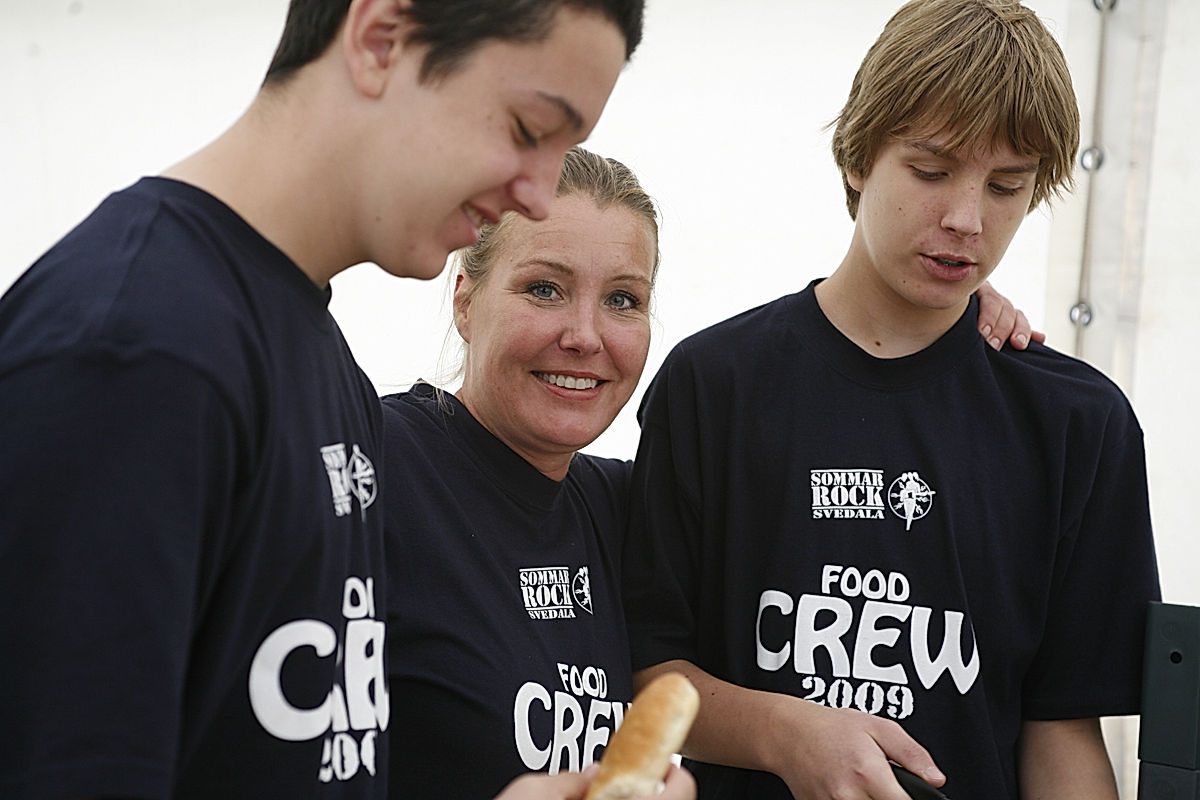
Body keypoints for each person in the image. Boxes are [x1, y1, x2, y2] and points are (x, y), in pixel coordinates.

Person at [0, 1, 642, 797]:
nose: (538, 194)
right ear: (381, 39)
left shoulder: (307, 342)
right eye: (525, 127)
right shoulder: (137, 352)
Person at [620, 1, 1161, 799]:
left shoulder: (1080, 423)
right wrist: (784, 732)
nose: (966, 219)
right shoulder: (716, 382)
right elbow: (641, 673)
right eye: (932, 170)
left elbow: (1065, 731)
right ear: (858, 157)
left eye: (1007, 186)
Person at [380, 146, 693, 799]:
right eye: (544, 289)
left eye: (623, 299)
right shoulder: (377, 461)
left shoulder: (625, 509)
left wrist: (959, 347)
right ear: (465, 300)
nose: (585, 335)